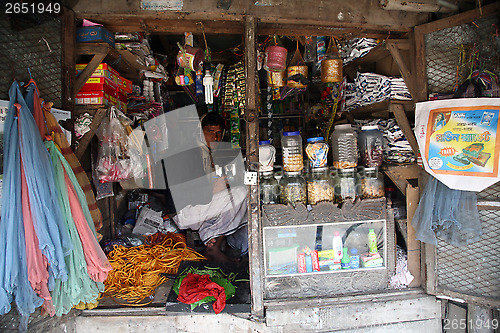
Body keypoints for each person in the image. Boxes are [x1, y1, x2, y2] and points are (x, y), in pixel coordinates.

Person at [171, 112, 248, 262]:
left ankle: (216, 242)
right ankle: (213, 243)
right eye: (210, 132)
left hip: (197, 208)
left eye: (219, 133)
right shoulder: (189, 154)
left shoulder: (207, 152)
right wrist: (211, 189)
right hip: (184, 213)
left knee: (237, 193)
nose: (216, 137)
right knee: (240, 194)